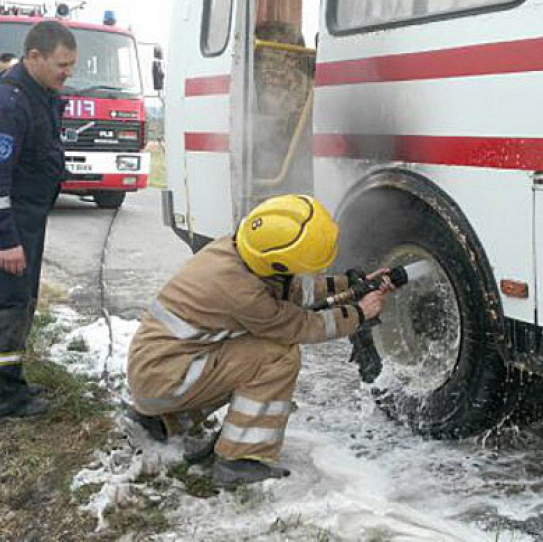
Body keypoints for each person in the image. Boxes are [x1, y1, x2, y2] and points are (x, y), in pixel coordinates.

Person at [126, 194, 393, 488]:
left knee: (243, 358)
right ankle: (239, 460)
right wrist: (358, 314)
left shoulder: (239, 250)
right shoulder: (240, 290)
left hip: (161, 368)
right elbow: (298, 326)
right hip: (164, 378)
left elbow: (292, 288)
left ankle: (162, 422)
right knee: (276, 356)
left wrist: (350, 285)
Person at [0, 22, 77, 421]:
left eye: (71, 65)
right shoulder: (10, 102)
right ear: (34, 57)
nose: (68, 73)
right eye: (62, 64)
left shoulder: (38, 94)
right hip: (2, 224)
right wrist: (6, 240)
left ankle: (9, 384)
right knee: (0, 307)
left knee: (19, 302)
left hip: (23, 220)